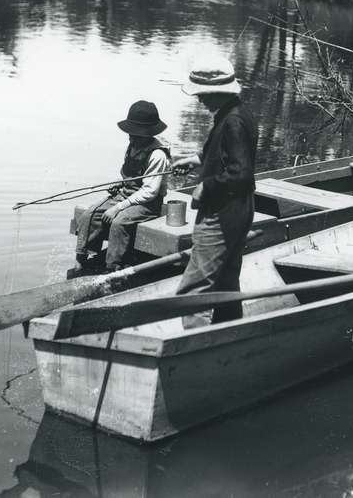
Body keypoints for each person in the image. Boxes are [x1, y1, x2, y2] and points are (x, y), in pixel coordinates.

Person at [172, 55, 258, 328]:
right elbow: (229, 155)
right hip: (240, 207)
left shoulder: (232, 122)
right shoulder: (237, 114)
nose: (199, 100)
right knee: (226, 281)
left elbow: (240, 173)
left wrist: (206, 185)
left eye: (203, 94)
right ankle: (227, 336)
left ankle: (192, 351)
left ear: (217, 92)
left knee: (193, 290)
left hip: (223, 212)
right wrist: (198, 158)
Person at [74, 100, 171, 272]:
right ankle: (82, 260)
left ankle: (114, 268)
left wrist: (118, 207)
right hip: (126, 194)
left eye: (137, 134)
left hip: (147, 204)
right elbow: (129, 176)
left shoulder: (157, 154)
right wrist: (119, 184)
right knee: (91, 214)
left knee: (119, 223)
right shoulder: (132, 146)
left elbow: (149, 192)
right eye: (131, 133)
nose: (132, 137)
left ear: (148, 133)